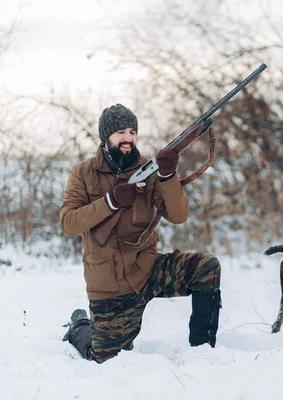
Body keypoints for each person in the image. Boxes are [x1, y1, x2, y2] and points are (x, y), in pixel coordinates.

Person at [59, 104, 221, 363]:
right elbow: (68, 223)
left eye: (133, 131)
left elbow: (178, 216)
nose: (128, 138)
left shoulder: (150, 168)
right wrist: (110, 201)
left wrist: (168, 176)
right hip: (109, 285)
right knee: (105, 358)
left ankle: (202, 352)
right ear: (106, 137)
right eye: (121, 131)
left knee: (206, 267)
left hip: (147, 270)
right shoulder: (83, 173)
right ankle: (79, 325)